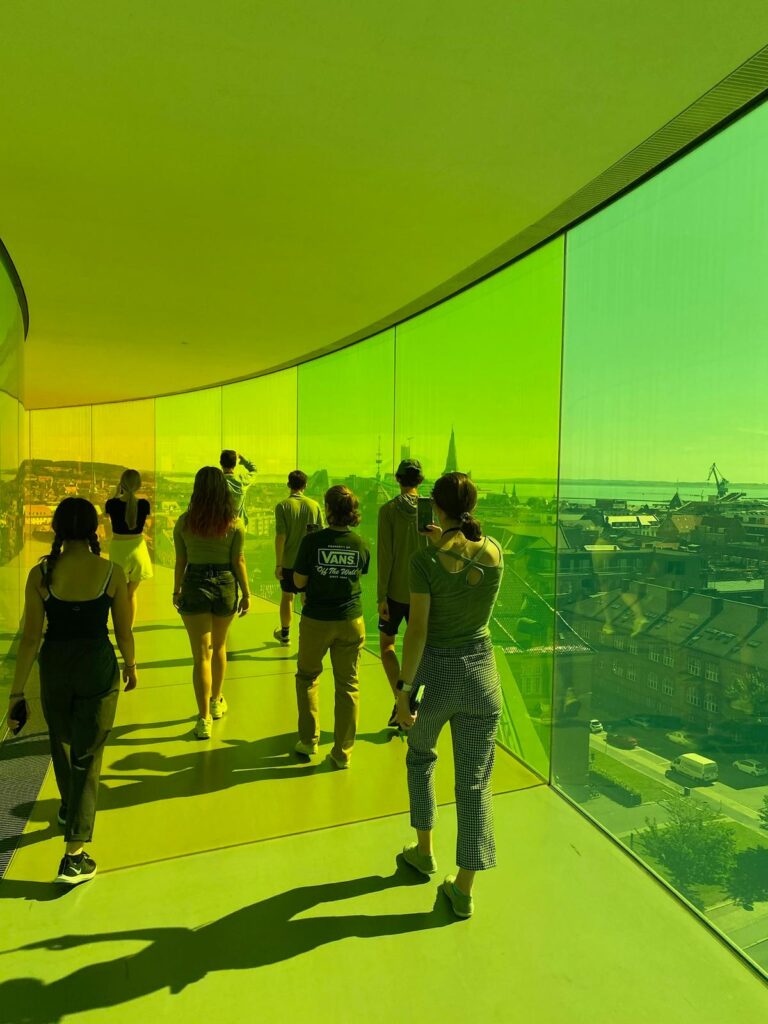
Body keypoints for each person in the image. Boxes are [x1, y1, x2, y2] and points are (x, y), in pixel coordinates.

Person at [7, 497, 137, 885]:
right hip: (97, 664)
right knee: (88, 755)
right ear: (95, 530)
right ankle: (74, 856)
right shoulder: (111, 572)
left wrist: (16, 693)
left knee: (61, 743)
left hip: (56, 666)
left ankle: (69, 806)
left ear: (57, 528)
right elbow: (124, 631)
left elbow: (30, 638)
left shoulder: (40, 574)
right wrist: (130, 665)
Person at [395, 472, 504, 919]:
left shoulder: (424, 561)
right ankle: (464, 888)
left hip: (437, 674)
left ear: (435, 507)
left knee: (421, 757)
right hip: (482, 674)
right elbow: (466, 569)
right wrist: (449, 538)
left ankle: (424, 852)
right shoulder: (495, 551)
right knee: (475, 783)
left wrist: (404, 691)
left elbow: (417, 631)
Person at [292, 485, 369, 769]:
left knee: (308, 677)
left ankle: (308, 739)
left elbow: (299, 582)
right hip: (351, 620)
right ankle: (342, 752)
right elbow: (359, 574)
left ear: (328, 510)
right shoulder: (361, 543)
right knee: (348, 686)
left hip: (317, 620)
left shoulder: (312, 542)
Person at [173, 467, 250, 740]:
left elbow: (181, 561)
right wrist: (247, 593)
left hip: (194, 582)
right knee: (220, 646)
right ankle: (217, 700)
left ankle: (203, 717)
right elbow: (238, 561)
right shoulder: (234, 523)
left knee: (200, 655)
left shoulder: (184, 522)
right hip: (226, 584)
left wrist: (176, 590)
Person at [377, 458, 426, 727]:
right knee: (419, 651)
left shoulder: (388, 510)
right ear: (420, 481)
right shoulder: (429, 510)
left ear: (397, 479)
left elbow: (386, 555)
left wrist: (380, 596)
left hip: (395, 591)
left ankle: (400, 701)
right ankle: (408, 700)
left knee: (387, 647)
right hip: (424, 594)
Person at [273, 470, 323, 645]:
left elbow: (281, 536)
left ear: (289, 485)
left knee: (287, 596)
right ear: (306, 485)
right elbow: (319, 535)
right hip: (309, 562)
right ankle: (310, 635)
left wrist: (278, 564)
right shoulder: (314, 506)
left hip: (288, 561)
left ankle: (285, 634)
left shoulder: (283, 506)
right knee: (307, 598)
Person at [104, 469, 153, 628]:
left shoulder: (111, 504)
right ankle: (128, 629)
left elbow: (107, 513)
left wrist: (116, 493)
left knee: (119, 595)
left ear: (121, 485)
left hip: (119, 549)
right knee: (131, 594)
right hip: (138, 550)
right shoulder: (144, 504)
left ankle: (120, 627)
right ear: (139, 485)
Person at [220, 449, 256, 528]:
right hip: (239, 526)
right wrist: (244, 460)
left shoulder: (217, 481)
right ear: (235, 464)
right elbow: (254, 470)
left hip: (220, 526)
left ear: (221, 463)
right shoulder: (242, 480)